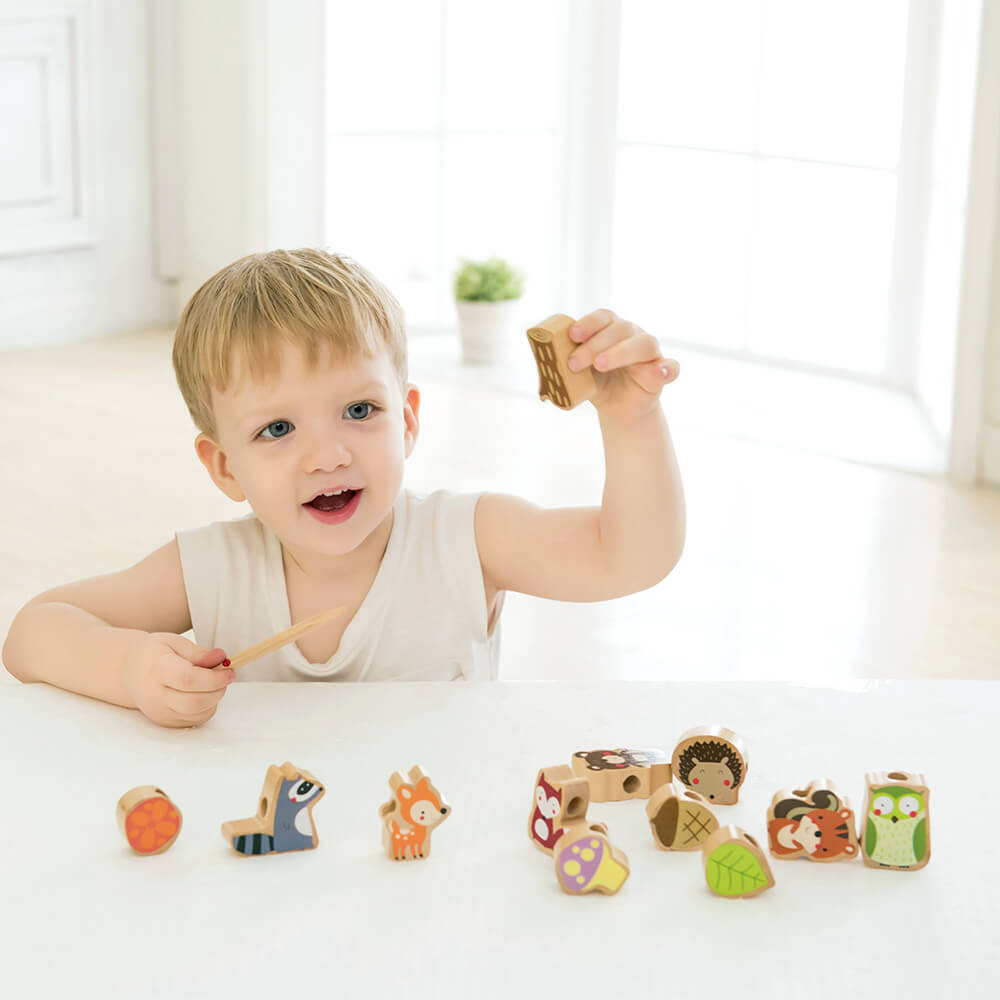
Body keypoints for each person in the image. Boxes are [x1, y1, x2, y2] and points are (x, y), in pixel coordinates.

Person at [2, 249, 684, 727]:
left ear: (408, 419)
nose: (327, 455)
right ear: (224, 468)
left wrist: (633, 419)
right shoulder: (212, 570)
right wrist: (128, 668)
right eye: (276, 429)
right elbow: (31, 634)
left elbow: (628, 557)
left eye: (360, 411)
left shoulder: (468, 541)